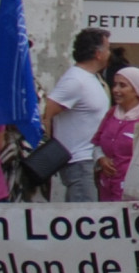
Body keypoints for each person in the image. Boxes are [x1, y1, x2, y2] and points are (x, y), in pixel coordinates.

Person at [40, 27, 113, 202]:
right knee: (84, 217)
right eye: (108, 48)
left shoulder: (92, 78)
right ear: (98, 53)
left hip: (92, 160)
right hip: (79, 161)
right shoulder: (75, 80)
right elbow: (46, 113)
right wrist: (54, 148)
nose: (110, 53)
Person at [93, 65, 139, 203]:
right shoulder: (112, 113)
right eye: (115, 85)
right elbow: (97, 143)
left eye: (122, 85)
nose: (115, 90)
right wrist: (101, 159)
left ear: (137, 89)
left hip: (136, 191)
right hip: (107, 187)